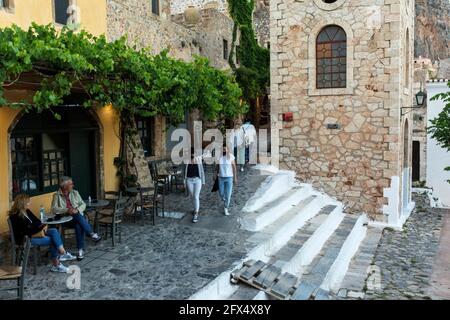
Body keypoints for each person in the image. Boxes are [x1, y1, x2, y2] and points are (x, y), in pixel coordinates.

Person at [9, 194, 76, 273]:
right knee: (53, 240)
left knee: (54, 230)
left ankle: (62, 252)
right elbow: (26, 231)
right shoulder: (15, 216)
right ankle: (57, 264)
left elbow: (37, 221)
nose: (30, 204)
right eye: (28, 202)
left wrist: (41, 226)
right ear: (22, 203)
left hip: (35, 233)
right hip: (26, 239)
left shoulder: (27, 211)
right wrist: (41, 227)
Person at [51, 176, 101, 261]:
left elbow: (83, 204)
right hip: (65, 220)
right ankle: (92, 234)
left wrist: (77, 210)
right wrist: (67, 210)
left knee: (78, 224)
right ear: (64, 186)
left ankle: (80, 251)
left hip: (76, 217)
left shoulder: (75, 193)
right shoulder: (56, 195)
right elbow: (54, 209)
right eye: (71, 184)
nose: (73, 185)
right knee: (78, 217)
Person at [215, 145, 237, 216]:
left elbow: (234, 167)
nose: (224, 150)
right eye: (223, 149)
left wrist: (235, 177)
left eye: (225, 149)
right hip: (221, 177)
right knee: (221, 193)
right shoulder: (219, 157)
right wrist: (215, 174)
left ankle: (226, 207)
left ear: (228, 150)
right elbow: (217, 166)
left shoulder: (231, 156)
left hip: (229, 178)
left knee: (228, 194)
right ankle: (224, 199)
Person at [185, 149, 205, 223]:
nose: (193, 155)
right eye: (191, 154)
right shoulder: (187, 161)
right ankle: (195, 208)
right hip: (189, 180)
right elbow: (185, 172)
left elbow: (202, 171)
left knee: (196, 196)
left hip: (197, 180)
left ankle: (196, 213)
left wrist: (203, 181)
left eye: (194, 154)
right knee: (192, 196)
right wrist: (184, 182)